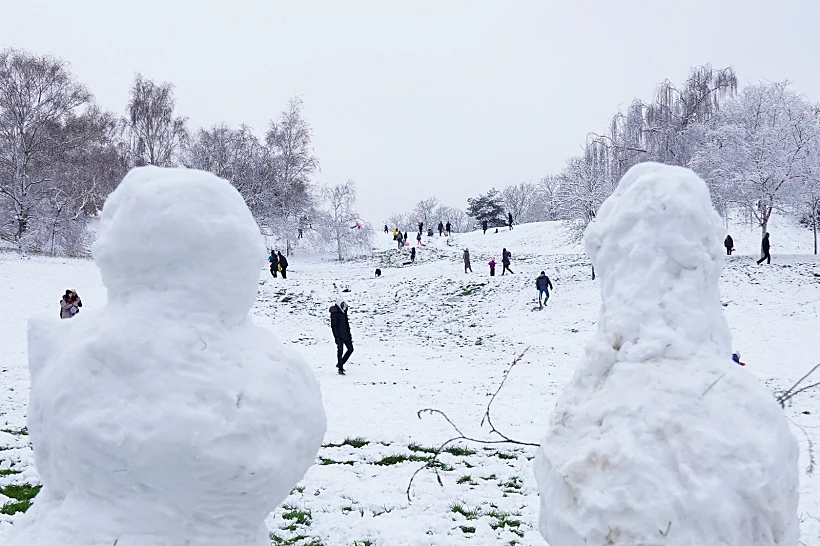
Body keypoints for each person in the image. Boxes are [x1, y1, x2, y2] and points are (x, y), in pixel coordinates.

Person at [330, 299, 353, 375]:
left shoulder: (344, 311)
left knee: (350, 349)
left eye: (343, 303)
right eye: (341, 303)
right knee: (340, 352)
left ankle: (341, 363)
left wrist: (349, 334)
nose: (343, 305)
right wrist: (336, 337)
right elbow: (334, 326)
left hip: (346, 335)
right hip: (339, 337)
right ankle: (340, 369)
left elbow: (346, 324)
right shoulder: (335, 313)